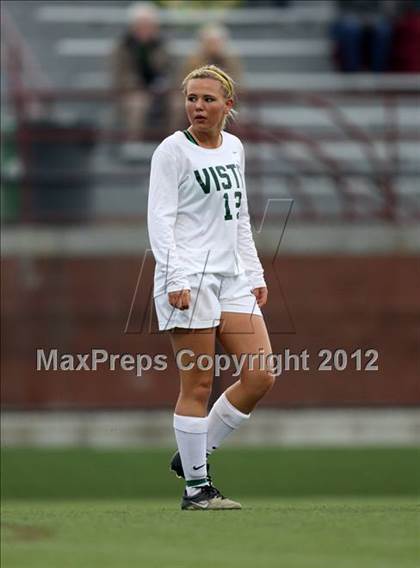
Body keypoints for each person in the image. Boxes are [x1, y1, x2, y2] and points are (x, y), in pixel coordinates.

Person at [147, 65, 275, 510]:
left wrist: (255, 273)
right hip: (188, 276)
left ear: (228, 105)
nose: (198, 107)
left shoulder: (235, 147)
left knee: (260, 375)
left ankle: (192, 457)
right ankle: (196, 488)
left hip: (232, 277)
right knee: (197, 384)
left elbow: (238, 215)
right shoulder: (171, 151)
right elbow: (159, 219)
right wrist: (175, 277)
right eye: (192, 99)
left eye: (208, 99)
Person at [112, 2, 169, 143]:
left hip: (161, 91)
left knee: (178, 104)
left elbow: (171, 70)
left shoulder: (162, 46)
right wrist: (138, 85)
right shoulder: (123, 47)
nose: (145, 29)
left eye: (149, 25)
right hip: (133, 92)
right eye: (141, 25)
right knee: (139, 103)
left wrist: (164, 84)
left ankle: (172, 145)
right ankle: (133, 143)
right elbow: (119, 74)